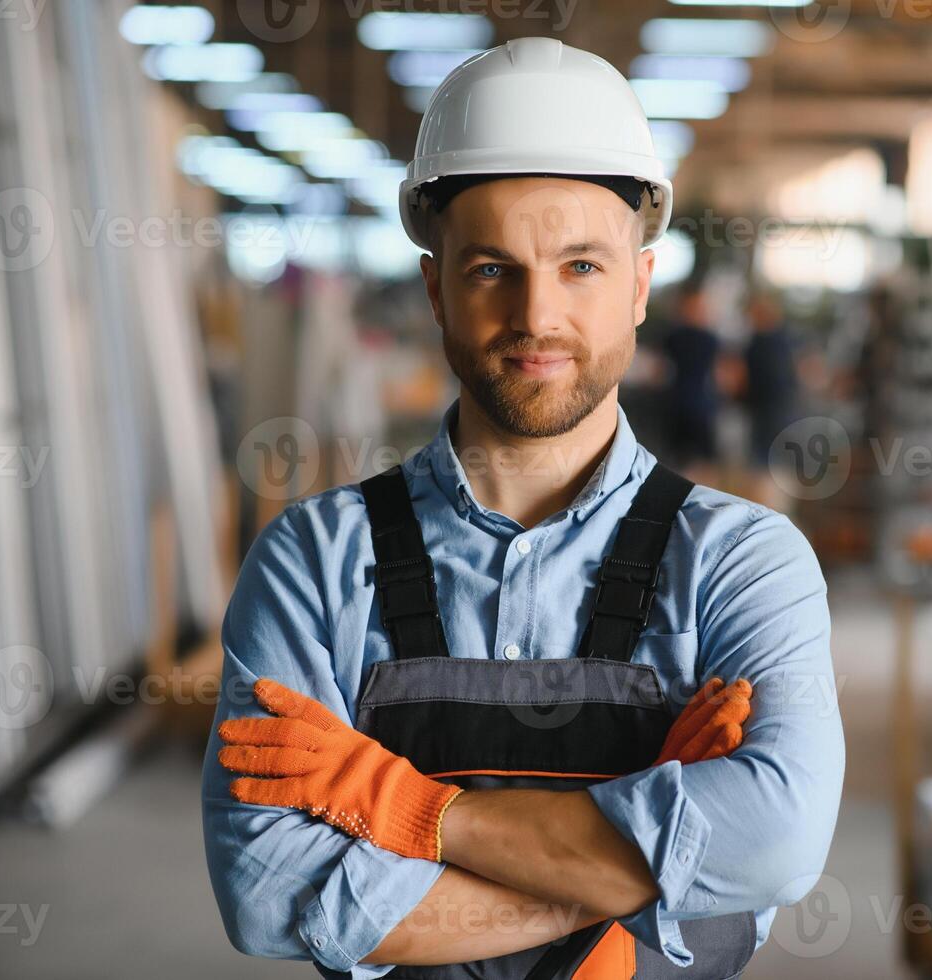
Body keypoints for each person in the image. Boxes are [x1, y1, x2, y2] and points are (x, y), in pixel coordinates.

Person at [201, 38, 844, 980]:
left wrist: (416, 815)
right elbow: (264, 895)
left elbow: (774, 847)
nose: (536, 316)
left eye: (581, 266)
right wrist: (652, 858)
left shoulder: (743, 564)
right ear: (436, 288)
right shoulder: (313, 561)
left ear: (639, 284)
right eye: (492, 268)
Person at [661, 283, 723, 472]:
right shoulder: (705, 338)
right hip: (689, 404)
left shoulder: (675, 336)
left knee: (689, 458)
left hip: (689, 404)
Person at [741, 290, 801, 467]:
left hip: (766, 406)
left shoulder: (760, 342)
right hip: (779, 404)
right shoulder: (783, 340)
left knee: (764, 459)